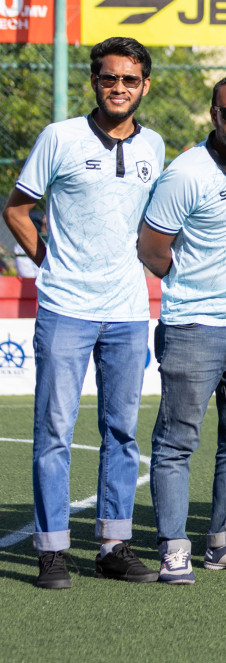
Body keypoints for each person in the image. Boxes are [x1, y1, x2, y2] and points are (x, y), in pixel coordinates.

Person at [6, 37, 164, 589]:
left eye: (129, 79)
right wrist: (51, 263)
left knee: (122, 431)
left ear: (145, 85)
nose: (118, 88)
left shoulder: (156, 147)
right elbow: (18, 209)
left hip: (126, 310)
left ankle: (113, 546)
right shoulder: (61, 137)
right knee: (54, 429)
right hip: (66, 309)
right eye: (108, 78)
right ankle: (51, 550)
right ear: (94, 82)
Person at [137, 71, 226, 584]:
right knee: (178, 442)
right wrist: (196, 287)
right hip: (193, 326)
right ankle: (173, 547)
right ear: (213, 115)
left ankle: (225, 540)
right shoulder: (186, 173)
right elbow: (152, 249)